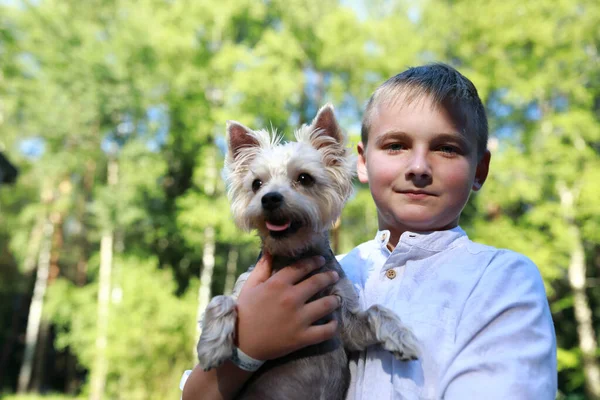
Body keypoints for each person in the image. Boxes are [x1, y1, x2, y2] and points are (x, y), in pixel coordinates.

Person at [182, 63, 557, 400]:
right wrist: (247, 349)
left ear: (480, 169)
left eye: (446, 148)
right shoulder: (346, 268)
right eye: (396, 146)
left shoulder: (502, 281)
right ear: (360, 163)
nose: (418, 168)